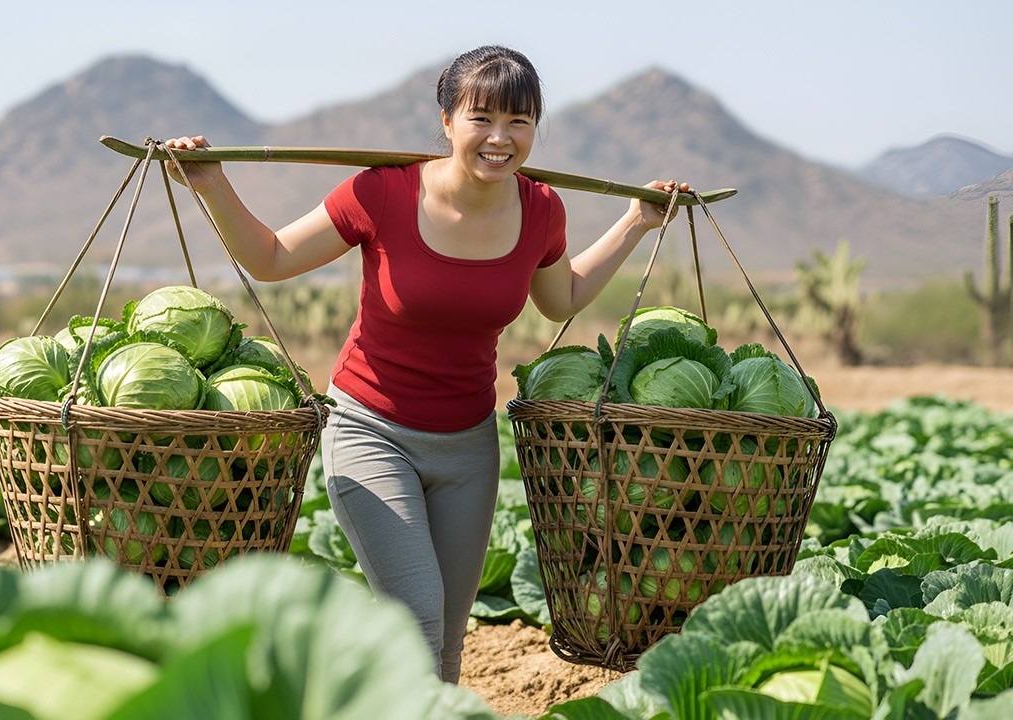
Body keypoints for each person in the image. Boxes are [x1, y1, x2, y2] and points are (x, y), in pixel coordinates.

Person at [164, 45, 688, 683]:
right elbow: (272, 259)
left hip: (468, 446)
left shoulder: (542, 208)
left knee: (443, 648)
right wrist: (212, 182)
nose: (500, 138)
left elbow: (563, 300)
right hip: (370, 430)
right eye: (481, 118)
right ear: (446, 122)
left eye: (519, 121)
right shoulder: (382, 191)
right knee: (416, 619)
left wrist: (636, 221)